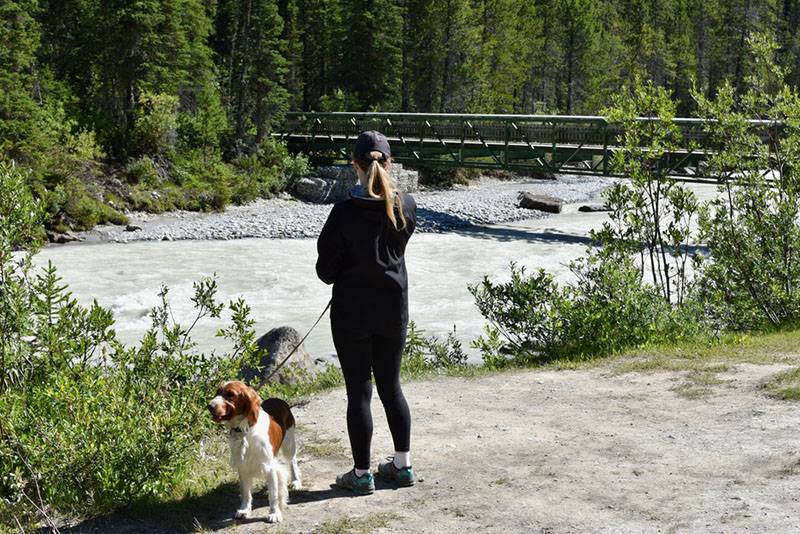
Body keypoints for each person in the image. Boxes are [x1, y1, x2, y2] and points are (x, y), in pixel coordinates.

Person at [316, 130, 417, 495]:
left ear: (354, 165)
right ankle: (402, 467)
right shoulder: (406, 205)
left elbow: (326, 272)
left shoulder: (343, 213)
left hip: (352, 314)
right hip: (393, 310)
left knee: (359, 392)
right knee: (392, 388)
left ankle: (361, 475)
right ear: (389, 164)